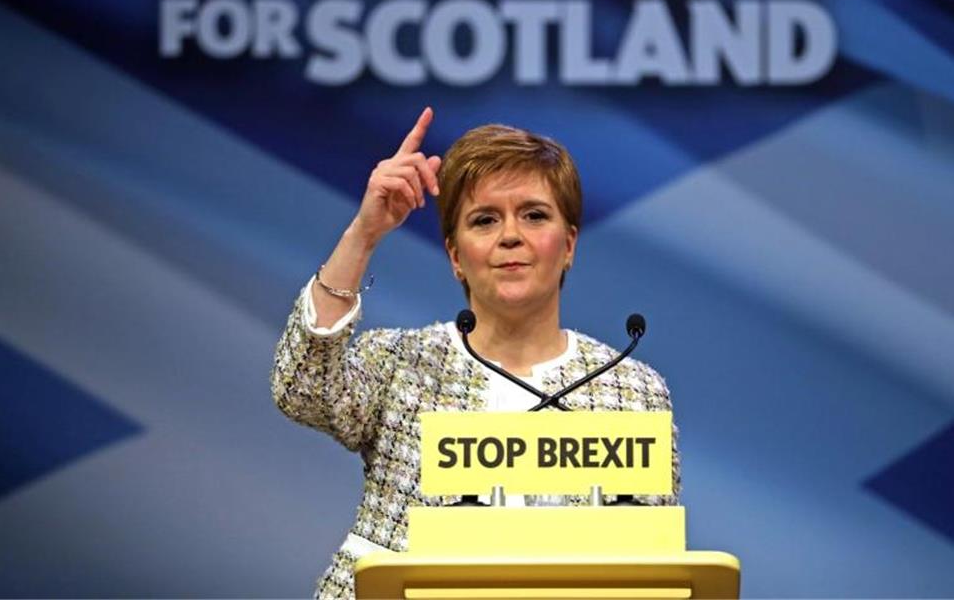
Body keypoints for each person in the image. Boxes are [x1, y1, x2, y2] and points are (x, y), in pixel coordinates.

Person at [271, 107, 680, 600]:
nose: (511, 235)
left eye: (534, 215)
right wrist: (363, 234)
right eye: (485, 220)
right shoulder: (404, 364)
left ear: (568, 245)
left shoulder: (632, 390)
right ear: (455, 256)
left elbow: (651, 570)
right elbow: (301, 389)